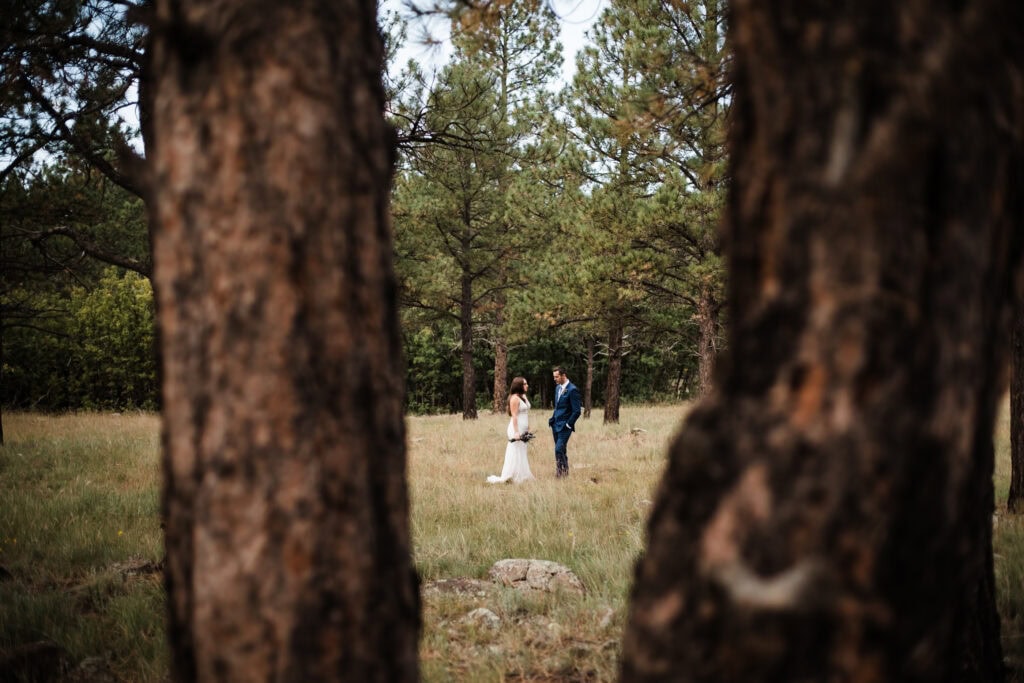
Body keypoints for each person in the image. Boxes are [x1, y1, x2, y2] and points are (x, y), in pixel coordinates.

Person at [487, 376, 535, 484]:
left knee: (522, 450)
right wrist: (516, 432)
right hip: (516, 428)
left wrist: (528, 427)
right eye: (525, 384)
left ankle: (522, 474)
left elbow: (525, 412)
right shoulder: (514, 398)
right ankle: (511, 475)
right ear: (519, 386)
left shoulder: (523, 396)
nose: (527, 385)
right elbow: (514, 416)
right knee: (515, 450)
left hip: (523, 427)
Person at [548, 366, 582, 478]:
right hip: (555, 424)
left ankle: (559, 473)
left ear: (563, 375)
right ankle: (564, 473)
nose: (555, 379)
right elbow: (557, 407)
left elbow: (577, 411)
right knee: (561, 449)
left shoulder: (572, 390)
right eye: (554, 377)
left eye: (556, 377)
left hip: (565, 426)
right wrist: (552, 419)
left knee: (558, 449)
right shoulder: (558, 388)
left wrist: (568, 424)